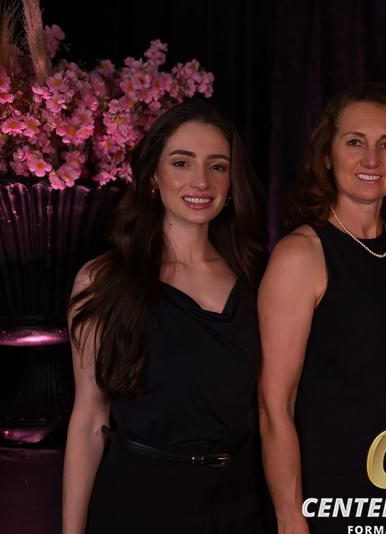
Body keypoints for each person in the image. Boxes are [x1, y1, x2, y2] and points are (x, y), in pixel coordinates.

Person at [62, 99, 267, 534]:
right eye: (181, 162)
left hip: (240, 505)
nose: (201, 181)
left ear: (232, 181)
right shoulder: (103, 280)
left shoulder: (258, 278)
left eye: (217, 166)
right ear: (154, 176)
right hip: (137, 504)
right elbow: (89, 421)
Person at [258, 82, 386, 533]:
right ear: (327, 154)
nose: (371, 160)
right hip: (337, 490)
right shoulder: (301, 255)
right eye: (355, 142)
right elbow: (274, 404)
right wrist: (291, 518)